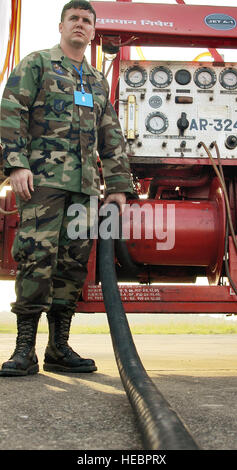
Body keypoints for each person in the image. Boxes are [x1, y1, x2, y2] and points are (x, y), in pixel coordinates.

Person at [0, 0, 134, 376]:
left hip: (85, 189)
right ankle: (24, 350)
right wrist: (16, 164)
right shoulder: (37, 64)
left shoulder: (95, 80)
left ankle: (58, 348)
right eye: (73, 18)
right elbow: (11, 112)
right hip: (42, 182)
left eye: (86, 20)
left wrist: (119, 184)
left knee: (72, 267)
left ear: (93, 31)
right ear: (61, 26)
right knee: (35, 260)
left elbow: (111, 134)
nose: (80, 24)